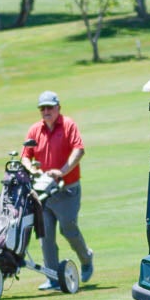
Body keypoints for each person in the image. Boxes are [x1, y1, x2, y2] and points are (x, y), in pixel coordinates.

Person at [20, 90, 94, 289]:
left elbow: (79, 150)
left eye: (49, 107)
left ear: (58, 108)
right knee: (45, 236)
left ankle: (86, 258)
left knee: (68, 229)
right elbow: (25, 156)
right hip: (43, 191)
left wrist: (61, 171)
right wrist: (31, 168)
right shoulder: (35, 130)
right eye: (42, 108)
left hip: (66, 189)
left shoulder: (68, 125)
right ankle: (52, 277)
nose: (46, 111)